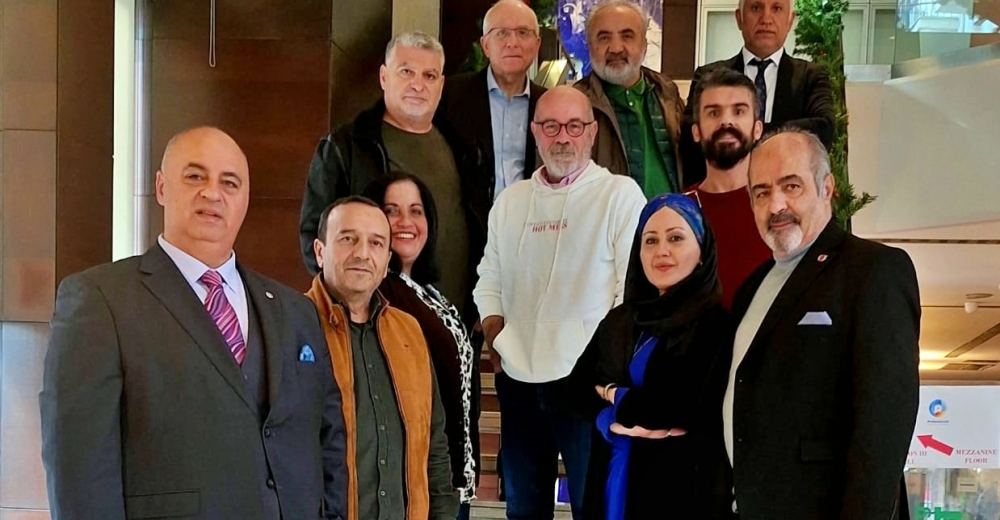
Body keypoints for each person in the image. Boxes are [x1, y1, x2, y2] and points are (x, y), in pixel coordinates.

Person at [40, 126, 348, 520]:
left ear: (245, 199)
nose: (213, 193)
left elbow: (328, 441)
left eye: (230, 182)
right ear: (161, 187)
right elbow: (79, 470)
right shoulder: (100, 300)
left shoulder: (295, 311)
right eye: (195, 176)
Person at [725, 127, 920, 519]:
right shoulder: (751, 288)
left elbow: (882, 429)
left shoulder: (873, 270)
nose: (776, 204)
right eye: (761, 192)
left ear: (826, 188)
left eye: (791, 186)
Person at [474, 85, 646, 520]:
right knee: (524, 510)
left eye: (574, 126)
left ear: (592, 132)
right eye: (551, 126)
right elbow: (489, 276)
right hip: (518, 378)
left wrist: (607, 365)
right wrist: (495, 333)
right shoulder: (510, 201)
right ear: (535, 132)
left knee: (593, 508)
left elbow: (631, 288)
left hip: (585, 383)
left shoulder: (620, 195)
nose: (563, 138)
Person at [572, 194, 736, 520]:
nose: (661, 251)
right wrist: (612, 419)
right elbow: (572, 389)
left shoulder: (718, 327)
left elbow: (690, 407)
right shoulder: (621, 321)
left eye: (676, 238)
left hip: (680, 489)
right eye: (650, 240)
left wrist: (613, 395)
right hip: (611, 476)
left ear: (702, 252)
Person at [300, 31, 485, 318]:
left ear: (441, 85)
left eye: (429, 76)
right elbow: (315, 238)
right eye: (406, 72)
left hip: (452, 325)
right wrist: (354, 312)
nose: (418, 85)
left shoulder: (463, 149)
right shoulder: (347, 147)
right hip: (373, 325)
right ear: (384, 77)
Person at [305, 197, 458, 520]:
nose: (362, 253)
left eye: (376, 243)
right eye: (348, 239)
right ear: (319, 251)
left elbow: (434, 444)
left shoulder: (409, 332)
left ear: (387, 260)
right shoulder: (293, 327)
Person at [362, 172, 479, 520]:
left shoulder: (428, 291)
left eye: (416, 211)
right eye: (392, 210)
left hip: (450, 474)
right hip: (416, 481)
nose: (405, 222)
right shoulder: (379, 292)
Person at [680, 0, 835, 186]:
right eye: (756, 8)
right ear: (739, 18)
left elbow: (824, 129)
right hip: (721, 191)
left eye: (776, 8)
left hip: (787, 193)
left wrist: (745, 133)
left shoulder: (811, 76)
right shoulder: (708, 76)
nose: (766, 19)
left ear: (790, 20)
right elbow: (690, 134)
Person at [574, 0, 687, 198]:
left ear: (644, 44)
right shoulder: (575, 105)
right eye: (604, 38)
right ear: (590, 46)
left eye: (627, 36)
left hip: (672, 216)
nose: (616, 48)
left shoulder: (668, 94)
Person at [438, 0, 547, 202]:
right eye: (502, 33)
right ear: (485, 45)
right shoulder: (450, 96)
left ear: (537, 45)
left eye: (523, 32)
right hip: (468, 218)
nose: (512, 42)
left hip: (529, 217)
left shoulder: (547, 104)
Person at [684, 68, 772, 309]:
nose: (726, 122)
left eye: (739, 111)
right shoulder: (679, 212)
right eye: (714, 112)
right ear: (696, 131)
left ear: (757, 129)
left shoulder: (778, 207)